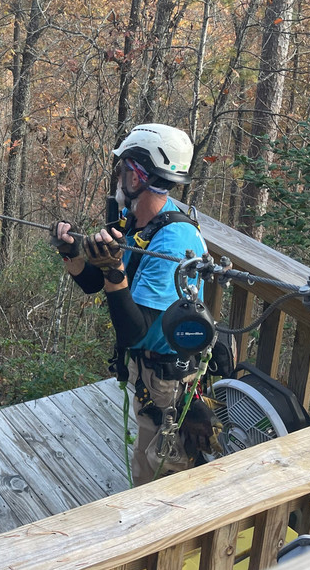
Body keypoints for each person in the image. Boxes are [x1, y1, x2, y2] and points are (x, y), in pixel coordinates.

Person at [52, 123, 218, 485]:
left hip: (167, 383)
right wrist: (72, 254)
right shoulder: (141, 224)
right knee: (146, 462)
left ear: (140, 176)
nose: (119, 178)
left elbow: (134, 330)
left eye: (124, 170)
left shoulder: (172, 242)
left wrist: (114, 271)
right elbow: (96, 284)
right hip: (149, 376)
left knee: (155, 479)